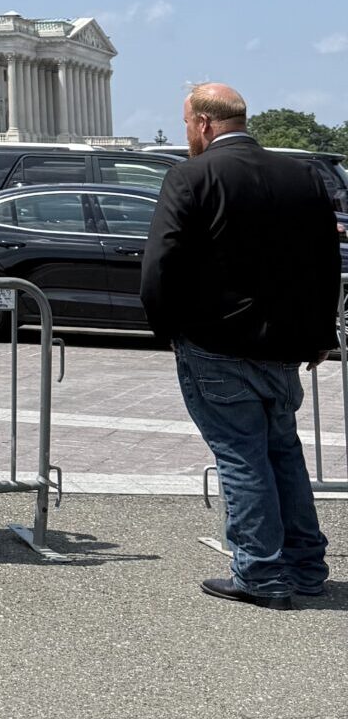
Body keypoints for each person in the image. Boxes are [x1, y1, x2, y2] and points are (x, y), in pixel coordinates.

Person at [140, 82, 336, 608]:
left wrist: (166, 328)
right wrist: (322, 334)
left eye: (187, 123)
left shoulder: (191, 175)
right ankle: (306, 567)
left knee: (242, 456)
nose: (187, 132)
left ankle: (260, 572)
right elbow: (325, 261)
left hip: (214, 339)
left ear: (204, 123)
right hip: (285, 343)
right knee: (283, 452)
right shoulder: (302, 175)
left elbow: (159, 264)